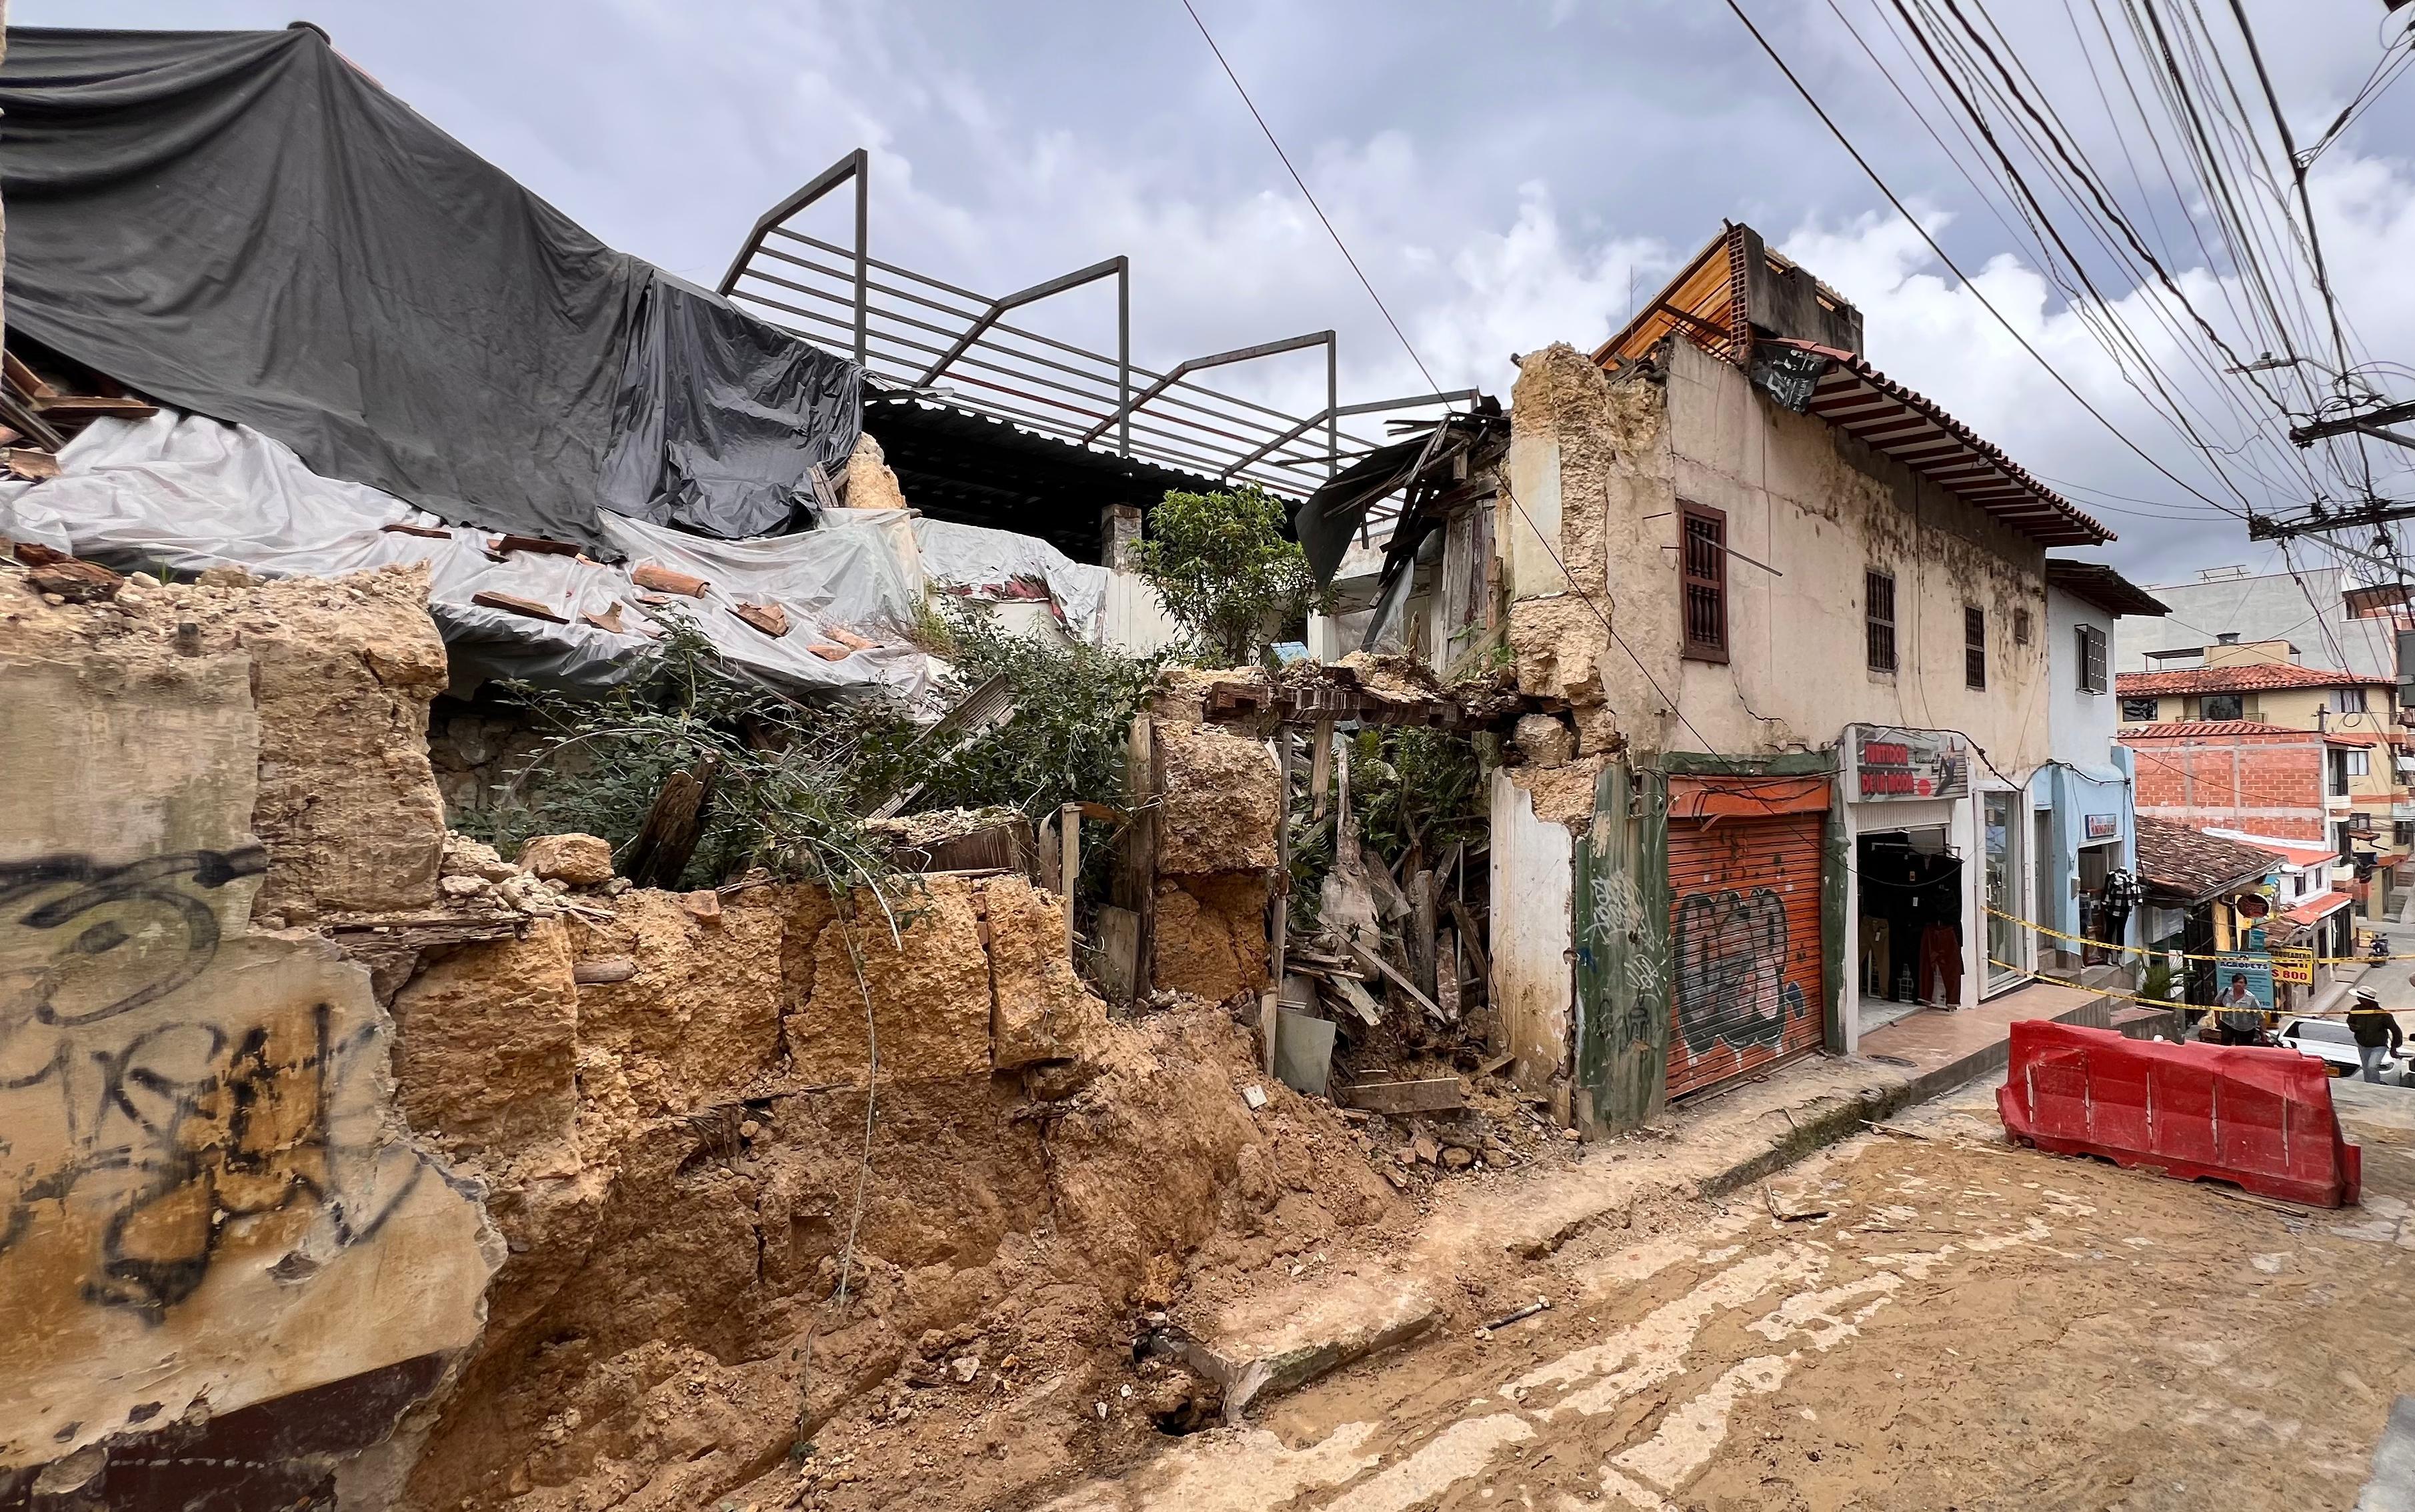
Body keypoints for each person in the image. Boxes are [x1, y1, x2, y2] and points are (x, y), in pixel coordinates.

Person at [2348, 988, 2403, 1083]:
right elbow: (2350, 1021)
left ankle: (2375, 1085)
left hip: (2378, 1046)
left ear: (2368, 1000)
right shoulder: (2356, 1009)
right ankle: (2369, 1087)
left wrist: (2394, 1047)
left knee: (2372, 1066)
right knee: (2366, 1068)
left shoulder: (2383, 1015)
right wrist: (2355, 1028)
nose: (2358, 1000)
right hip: (2363, 1045)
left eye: (2361, 998)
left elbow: (2396, 1031)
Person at [2216, 973, 2265, 1046]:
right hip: (2228, 1024)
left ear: (2245, 985)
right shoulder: (2225, 992)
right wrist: (2217, 1019)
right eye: (2236, 982)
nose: (2238, 984)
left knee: (2243, 1051)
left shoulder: (2251, 998)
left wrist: (2263, 1033)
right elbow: (2216, 1004)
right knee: (2225, 1047)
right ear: (2233, 984)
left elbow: (2259, 1016)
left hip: (2245, 1029)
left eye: (2241, 982)